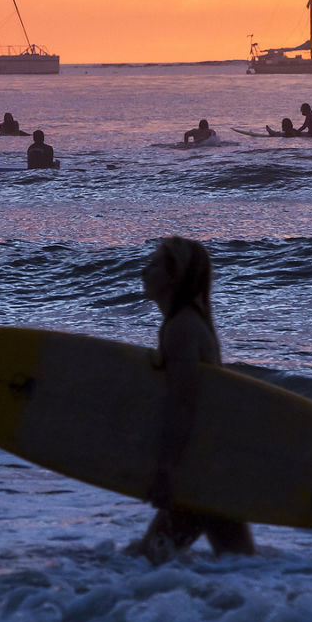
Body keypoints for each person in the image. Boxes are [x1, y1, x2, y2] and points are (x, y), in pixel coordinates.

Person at [131, 237, 256, 563]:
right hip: (212, 466)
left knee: (149, 560)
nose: (144, 271)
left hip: (200, 470)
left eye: (154, 264)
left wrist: (167, 469)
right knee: (239, 562)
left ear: (174, 276)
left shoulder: (183, 328)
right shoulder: (187, 322)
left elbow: (183, 404)